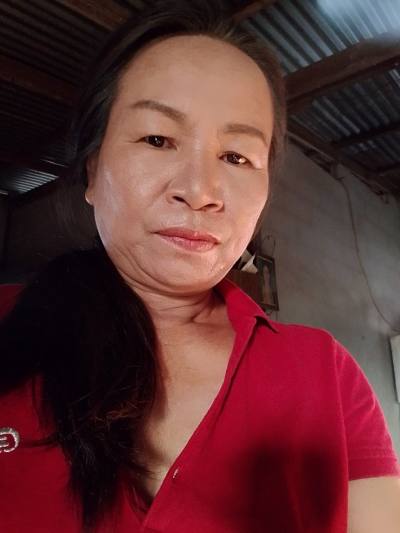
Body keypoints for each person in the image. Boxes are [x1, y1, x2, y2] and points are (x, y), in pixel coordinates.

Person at [1, 1, 399, 532]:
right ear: (93, 171)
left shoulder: (327, 375)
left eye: (236, 157)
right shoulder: (8, 323)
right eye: (157, 139)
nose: (200, 190)